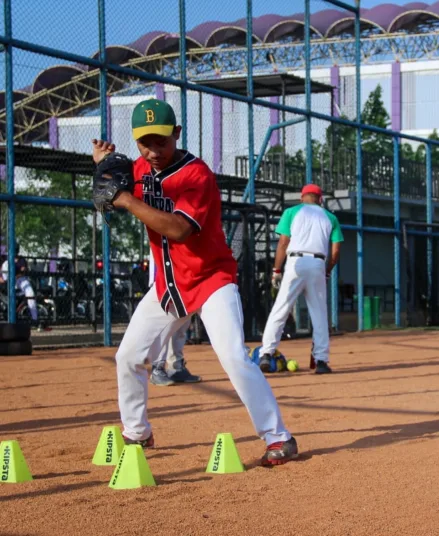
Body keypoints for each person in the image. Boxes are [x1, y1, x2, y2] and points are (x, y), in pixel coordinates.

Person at [91, 98, 297, 465]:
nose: (153, 150)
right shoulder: (139, 168)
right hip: (169, 286)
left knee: (234, 357)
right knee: (128, 357)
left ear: (177, 135)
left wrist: (124, 199)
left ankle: (278, 436)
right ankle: (138, 434)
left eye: (161, 141)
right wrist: (103, 164)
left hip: (212, 280)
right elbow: (120, 176)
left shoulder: (196, 175)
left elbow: (180, 229)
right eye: (145, 142)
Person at [258, 183, 343, 374]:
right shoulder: (331, 217)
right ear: (320, 200)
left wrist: (276, 270)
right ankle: (321, 361)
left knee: (281, 307)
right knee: (319, 313)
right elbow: (336, 252)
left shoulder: (291, 212)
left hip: (295, 263)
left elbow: (283, 243)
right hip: (317, 263)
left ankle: (266, 354)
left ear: (302, 198)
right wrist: (327, 270)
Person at [145, 250, 202, 386]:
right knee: (164, 323)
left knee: (182, 322)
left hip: (183, 271)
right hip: (164, 270)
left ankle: (176, 366)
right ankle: (157, 367)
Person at [1, 244, 41, 329]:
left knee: (30, 295)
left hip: (21, 280)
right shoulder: (6, 261)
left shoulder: (21, 260)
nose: (14, 253)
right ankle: (10, 315)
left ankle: (35, 319)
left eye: (16, 251)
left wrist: (17, 274)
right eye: (13, 251)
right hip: (9, 282)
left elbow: (23, 271)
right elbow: (5, 277)